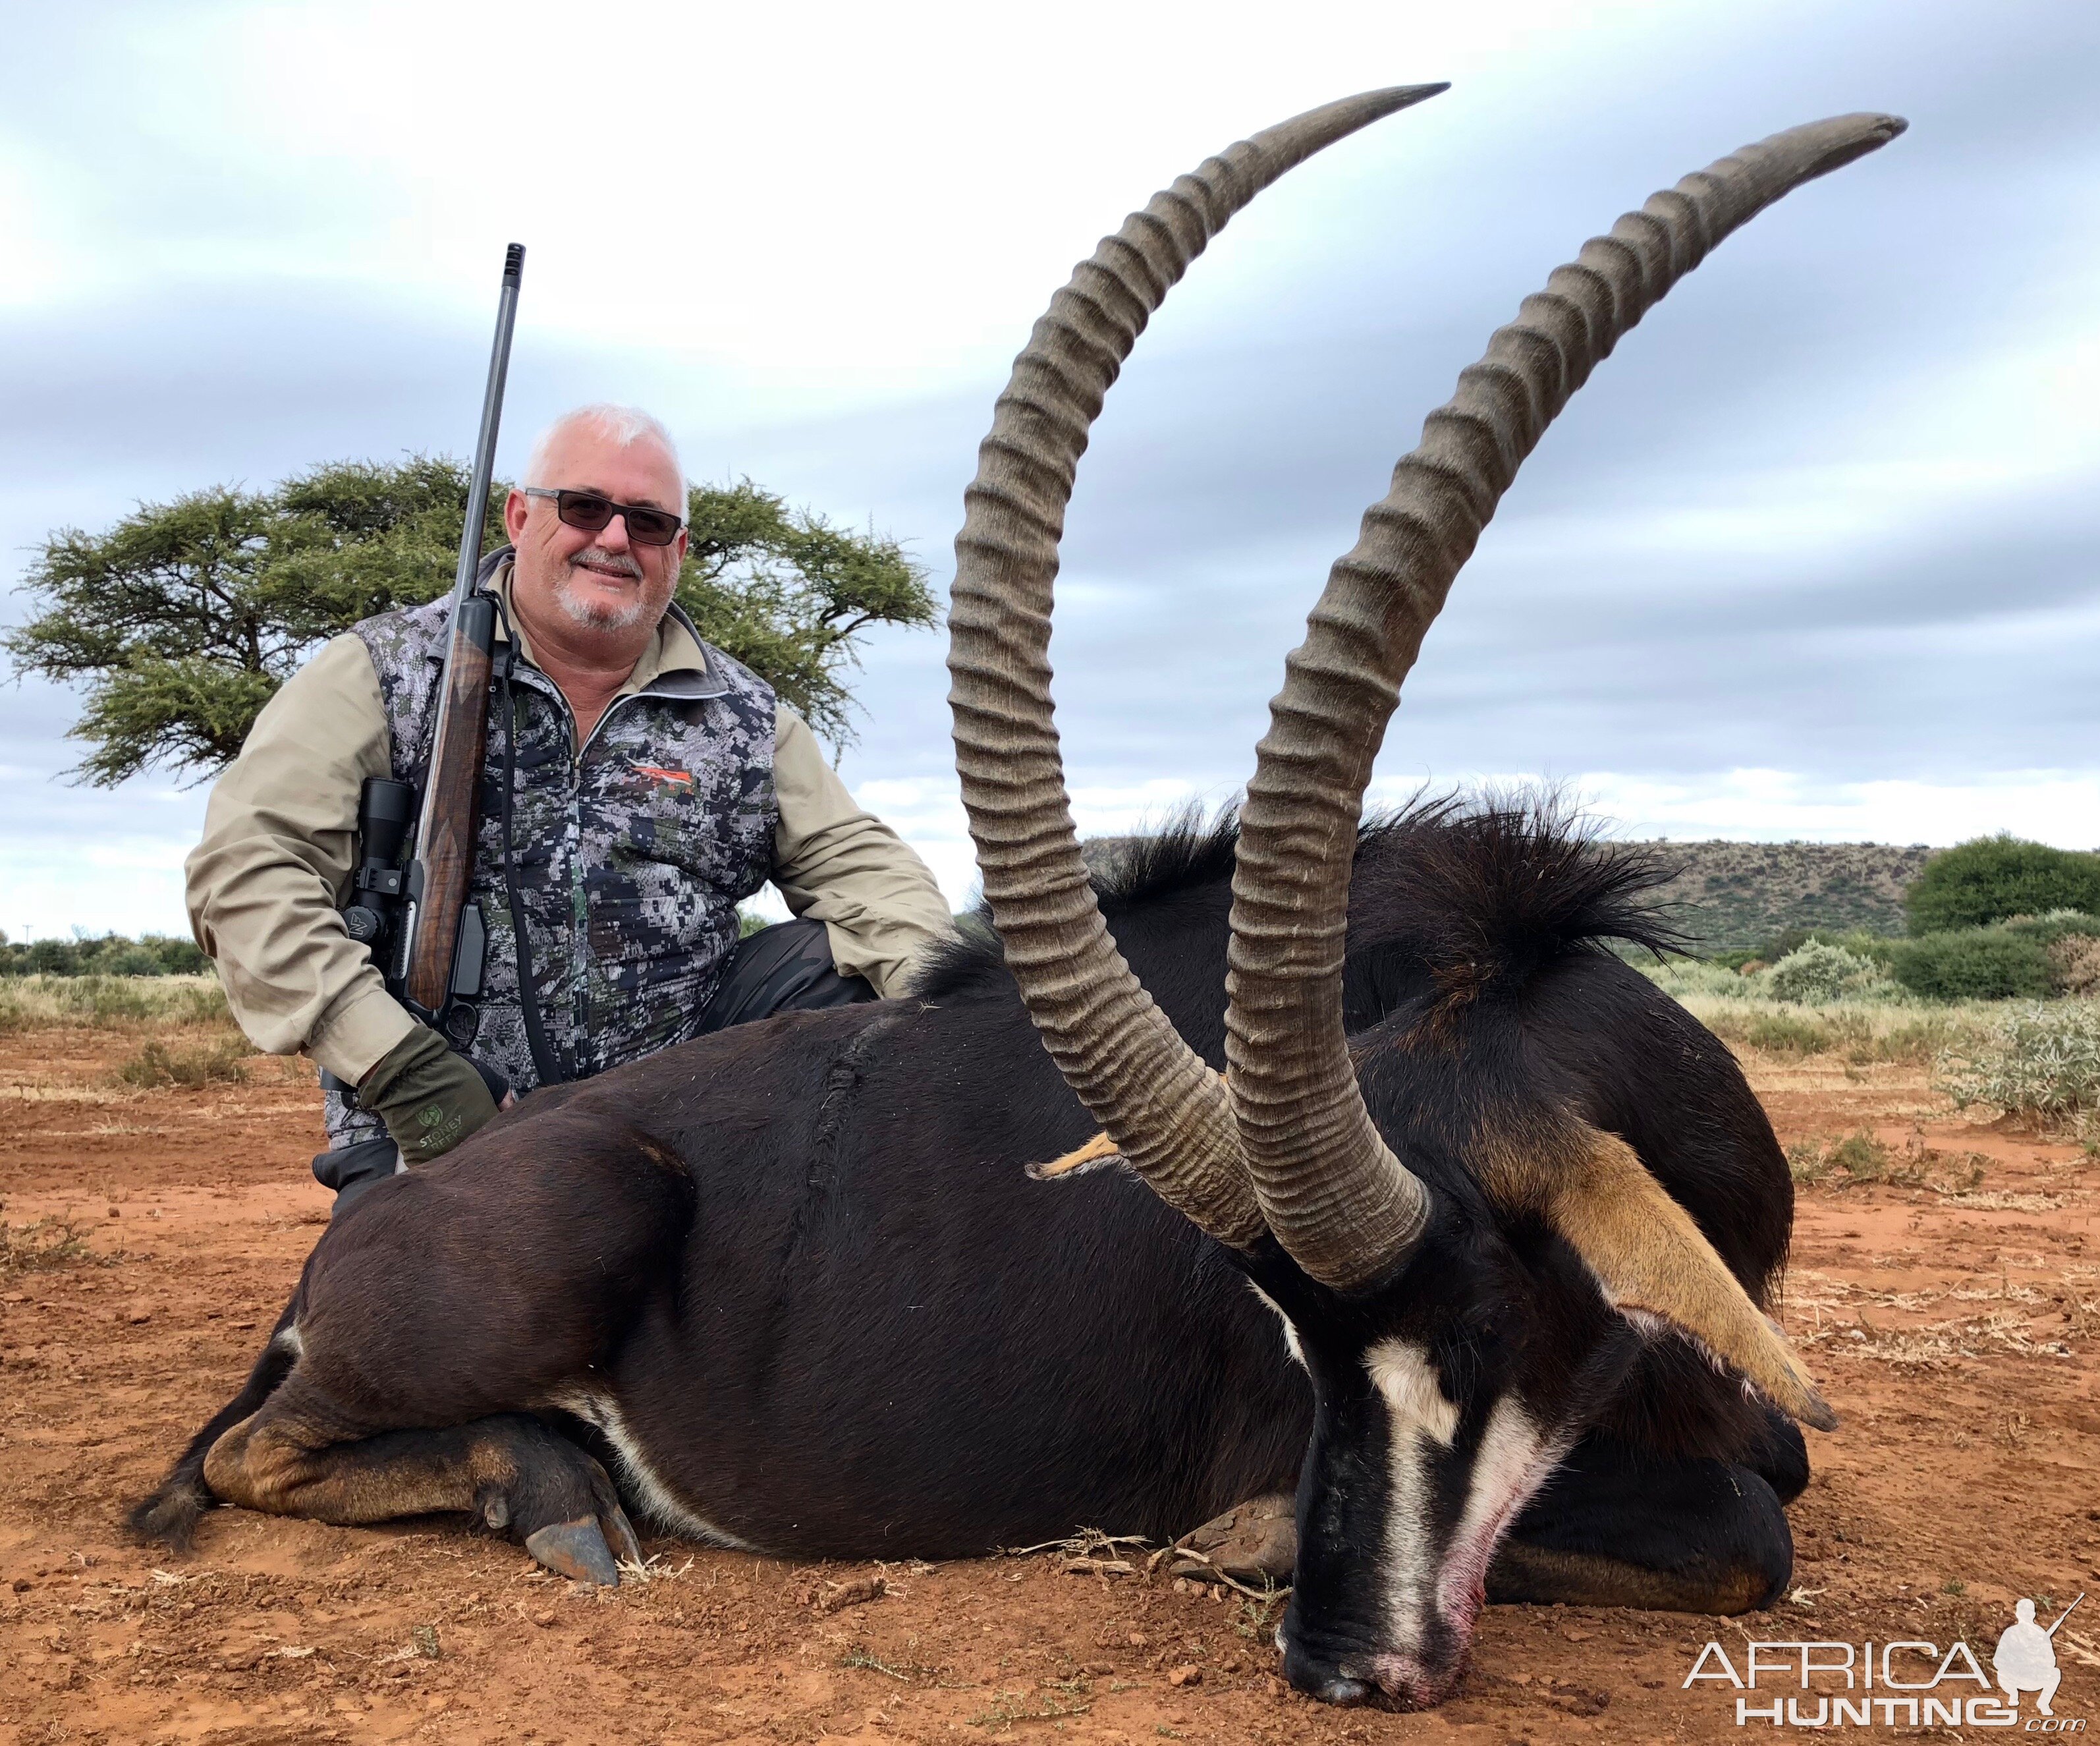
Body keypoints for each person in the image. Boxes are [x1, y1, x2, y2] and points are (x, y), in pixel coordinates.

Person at [187, 404, 956, 1203]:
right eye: (584, 507)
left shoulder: (749, 716)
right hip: (448, 1125)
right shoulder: (381, 672)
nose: (615, 539)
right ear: (521, 516)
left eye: (650, 522)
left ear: (678, 550)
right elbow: (247, 873)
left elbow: (869, 874)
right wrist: (406, 1072)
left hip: (680, 1128)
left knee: (831, 969)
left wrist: (954, 1017)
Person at [1992, 1598, 2063, 1715]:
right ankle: (2013, 1694)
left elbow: (2051, 1661)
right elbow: (1998, 1660)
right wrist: (2017, 1660)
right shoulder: (2010, 1633)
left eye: (2027, 1613)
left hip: (2034, 1677)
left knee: (2055, 1673)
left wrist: (2037, 1660)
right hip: (2013, 1678)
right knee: (2001, 1672)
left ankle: (2043, 1703)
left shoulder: (2041, 1634)